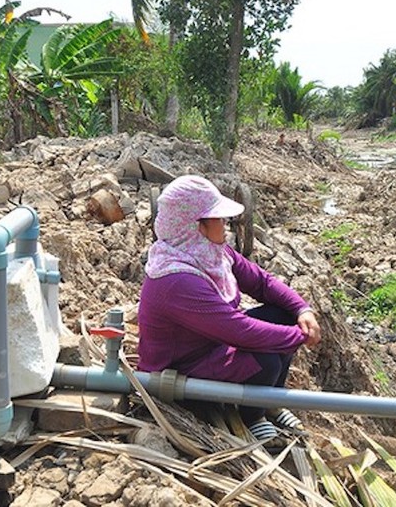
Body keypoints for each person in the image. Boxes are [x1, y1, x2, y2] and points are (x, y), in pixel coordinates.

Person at [137, 174, 321, 445]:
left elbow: (261, 282)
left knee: (281, 316)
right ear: (197, 226)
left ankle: (270, 402)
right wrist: (300, 337)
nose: (226, 224)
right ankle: (253, 416)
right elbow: (239, 331)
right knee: (267, 359)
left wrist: (302, 310)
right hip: (181, 370)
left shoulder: (213, 252)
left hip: (210, 344)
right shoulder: (177, 280)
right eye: (219, 219)